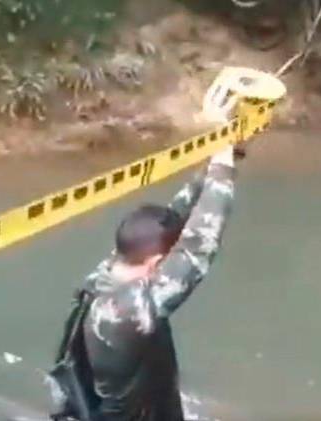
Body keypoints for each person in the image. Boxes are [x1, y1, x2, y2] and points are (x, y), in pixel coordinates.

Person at [73, 143, 240, 421]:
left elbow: (172, 220)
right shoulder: (127, 311)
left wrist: (221, 157)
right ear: (156, 263)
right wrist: (222, 170)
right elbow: (197, 248)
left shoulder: (113, 268)